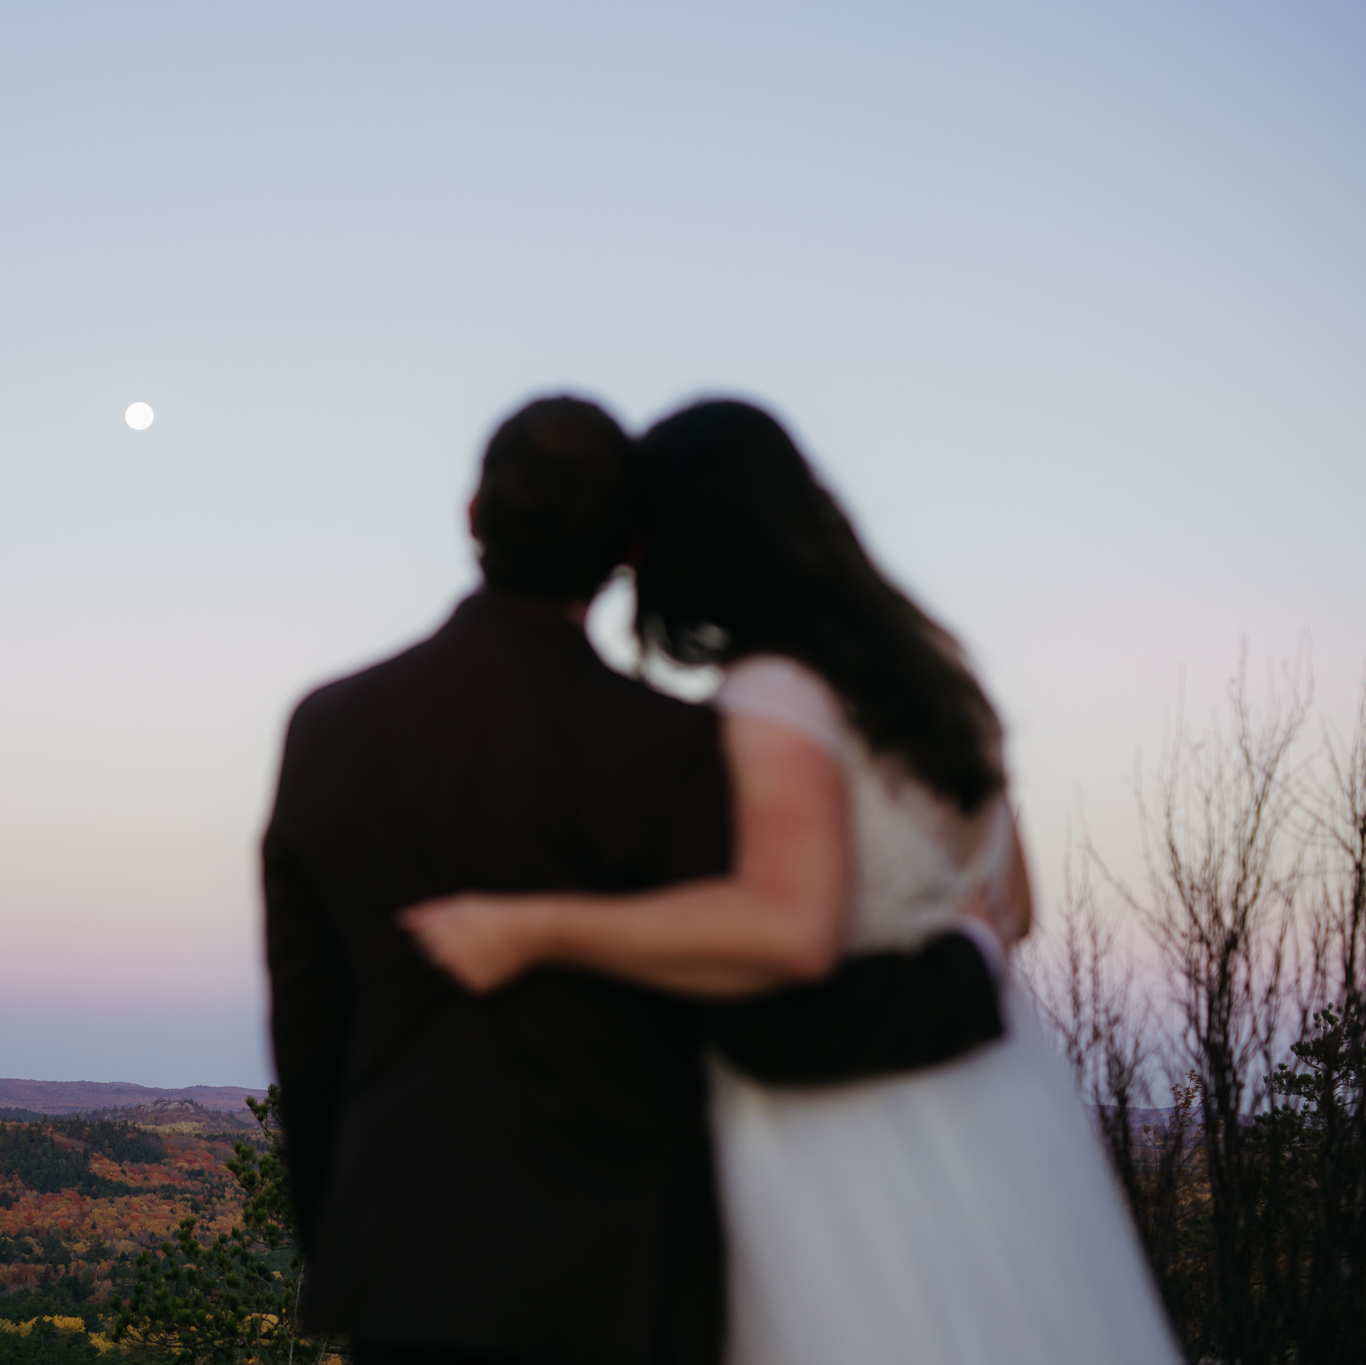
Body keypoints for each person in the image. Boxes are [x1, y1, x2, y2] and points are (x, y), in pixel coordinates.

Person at [404, 399, 1182, 1365]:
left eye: (643, 536)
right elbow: (1013, 903)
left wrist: (535, 928)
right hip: (990, 1100)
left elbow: (788, 931)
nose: (631, 564)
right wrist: (968, 949)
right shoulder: (935, 669)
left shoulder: (771, 696)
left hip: (830, 1130)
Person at [264, 396, 1011, 1365]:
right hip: (627, 1267)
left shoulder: (328, 729)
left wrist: (350, 1244)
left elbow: (306, 1017)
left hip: (413, 1258)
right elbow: (752, 993)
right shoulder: (671, 746)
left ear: (471, 517)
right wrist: (966, 965)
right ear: (625, 551)